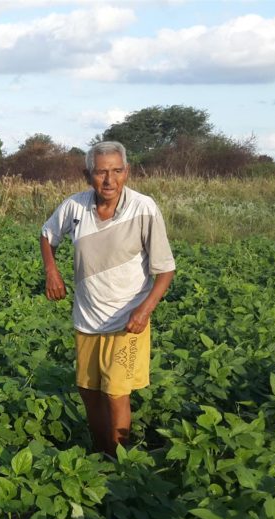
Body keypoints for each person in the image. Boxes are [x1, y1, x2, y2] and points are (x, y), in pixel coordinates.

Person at [40, 140, 175, 457]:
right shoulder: (75, 207)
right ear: (87, 174)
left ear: (127, 171)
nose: (109, 180)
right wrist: (51, 271)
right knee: (89, 392)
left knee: (116, 394)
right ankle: (100, 452)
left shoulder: (143, 208)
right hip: (86, 318)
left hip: (127, 321)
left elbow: (165, 270)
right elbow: (47, 235)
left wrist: (145, 310)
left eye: (117, 171)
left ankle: (119, 460)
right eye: (101, 172)